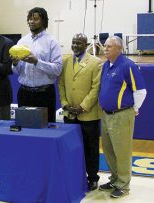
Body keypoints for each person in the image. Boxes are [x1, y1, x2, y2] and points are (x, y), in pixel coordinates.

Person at [99, 36, 147, 198]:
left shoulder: (128, 65)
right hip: (106, 115)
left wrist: (134, 108)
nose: (105, 49)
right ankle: (114, 179)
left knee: (122, 151)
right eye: (105, 46)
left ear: (119, 49)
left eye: (109, 46)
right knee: (108, 149)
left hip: (121, 115)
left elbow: (140, 91)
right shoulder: (106, 65)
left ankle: (124, 185)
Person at [58, 33, 102, 191]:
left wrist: (83, 106)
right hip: (69, 114)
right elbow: (61, 84)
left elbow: (96, 88)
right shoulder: (66, 61)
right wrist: (64, 104)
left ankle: (93, 178)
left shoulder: (96, 63)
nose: (75, 46)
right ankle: (75, 176)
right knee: (72, 148)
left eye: (79, 43)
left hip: (88, 114)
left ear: (86, 45)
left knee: (90, 148)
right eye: (73, 43)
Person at [11, 7, 62, 122]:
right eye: (29, 19)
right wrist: (15, 64)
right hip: (24, 93)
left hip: (44, 94)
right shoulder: (22, 41)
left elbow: (58, 69)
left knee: (46, 130)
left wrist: (37, 62)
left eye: (35, 19)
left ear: (43, 21)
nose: (31, 22)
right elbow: (17, 71)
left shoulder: (52, 42)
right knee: (24, 129)